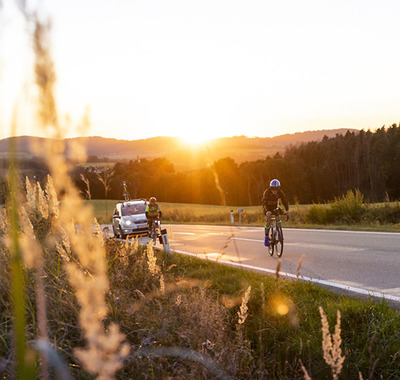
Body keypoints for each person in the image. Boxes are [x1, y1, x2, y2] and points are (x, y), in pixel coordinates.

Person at [262, 179, 289, 246]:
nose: (275, 191)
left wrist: (287, 210)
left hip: (275, 208)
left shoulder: (280, 192)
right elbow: (264, 203)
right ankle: (266, 237)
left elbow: (284, 201)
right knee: (269, 216)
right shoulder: (267, 192)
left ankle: (279, 233)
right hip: (267, 208)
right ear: (271, 189)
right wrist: (266, 213)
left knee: (278, 217)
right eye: (273, 189)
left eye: (276, 189)